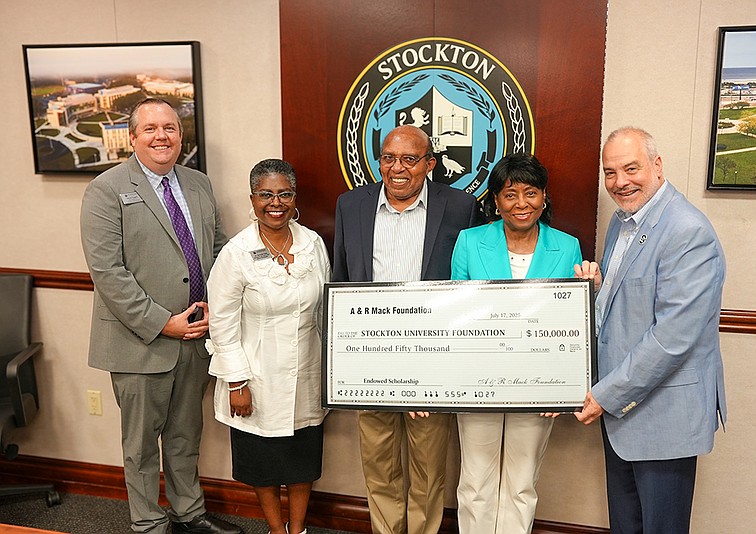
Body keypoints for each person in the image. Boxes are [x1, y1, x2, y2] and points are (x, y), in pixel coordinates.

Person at [80, 98, 241, 534]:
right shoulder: (107, 189)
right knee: (141, 446)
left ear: (180, 134)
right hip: (140, 342)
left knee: (186, 438)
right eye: (149, 129)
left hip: (195, 335)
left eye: (169, 127)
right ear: (132, 137)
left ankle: (190, 514)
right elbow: (107, 272)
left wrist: (214, 304)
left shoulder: (198, 184)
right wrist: (160, 322)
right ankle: (149, 523)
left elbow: (220, 251)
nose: (161, 136)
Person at [574, 127, 727, 534]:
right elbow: (632, 306)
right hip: (623, 413)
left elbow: (672, 338)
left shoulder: (687, 231)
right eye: (610, 172)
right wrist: (598, 291)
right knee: (627, 527)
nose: (620, 182)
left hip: (663, 417)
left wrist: (604, 396)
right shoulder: (623, 223)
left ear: (657, 166)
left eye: (631, 168)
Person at [332, 125, 483, 534]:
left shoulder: (460, 207)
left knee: (428, 466)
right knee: (378, 462)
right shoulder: (351, 205)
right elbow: (342, 280)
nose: (397, 169)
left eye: (410, 159)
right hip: (369, 358)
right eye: (389, 158)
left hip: (431, 362)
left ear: (430, 164)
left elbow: (468, 289)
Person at [450, 153, 586, 533]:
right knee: (475, 483)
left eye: (530, 193)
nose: (521, 203)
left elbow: (571, 321)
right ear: (495, 201)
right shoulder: (469, 241)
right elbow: (454, 313)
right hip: (477, 381)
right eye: (510, 194)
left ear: (544, 197)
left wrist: (560, 387)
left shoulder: (568, 246)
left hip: (537, 386)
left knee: (522, 484)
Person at [206, 159, 330, 534]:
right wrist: (237, 384)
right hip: (255, 378)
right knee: (263, 462)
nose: (275, 203)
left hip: (308, 372)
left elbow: (326, 310)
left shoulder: (313, 244)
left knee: (302, 459)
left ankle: (298, 530)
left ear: (295, 199)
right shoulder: (236, 252)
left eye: (284, 194)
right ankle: (277, 531)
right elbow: (223, 324)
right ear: (252, 199)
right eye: (266, 194)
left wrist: (333, 376)